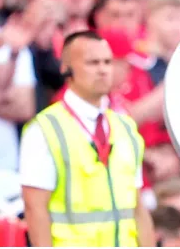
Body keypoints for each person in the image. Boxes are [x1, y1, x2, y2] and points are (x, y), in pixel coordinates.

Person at [19, 30, 154, 247]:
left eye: (107, 62)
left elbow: (137, 207)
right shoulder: (44, 129)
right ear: (66, 68)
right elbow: (35, 210)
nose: (102, 70)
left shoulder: (125, 127)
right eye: (92, 63)